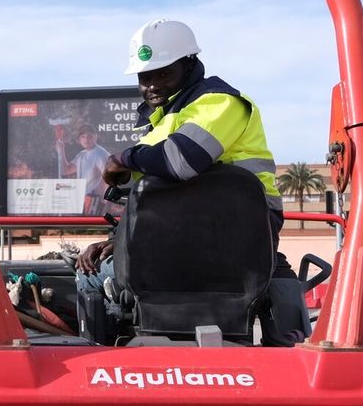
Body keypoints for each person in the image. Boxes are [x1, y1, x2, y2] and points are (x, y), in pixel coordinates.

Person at [75, 19, 288, 323]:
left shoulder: (219, 102)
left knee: (87, 284)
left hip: (241, 234)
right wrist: (118, 241)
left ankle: (94, 362)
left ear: (190, 66)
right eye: (145, 76)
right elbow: (153, 201)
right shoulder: (164, 124)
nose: (152, 85)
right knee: (96, 269)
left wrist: (122, 158)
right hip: (185, 236)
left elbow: (180, 162)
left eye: (164, 73)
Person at [61, 123, 112, 215]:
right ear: (79, 139)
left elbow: (109, 178)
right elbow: (66, 170)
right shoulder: (81, 154)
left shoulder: (100, 154)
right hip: (83, 198)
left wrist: (104, 203)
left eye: (89, 136)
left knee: (93, 228)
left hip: (95, 200)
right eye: (83, 137)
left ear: (95, 137)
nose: (86, 139)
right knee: (82, 227)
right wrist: (61, 151)